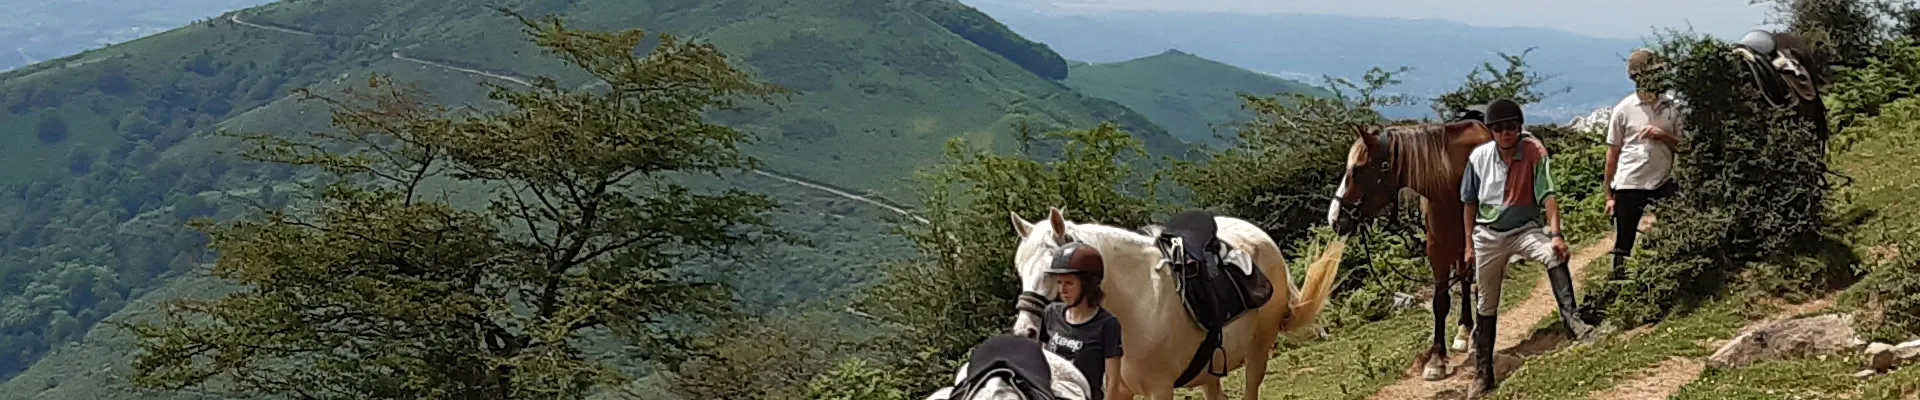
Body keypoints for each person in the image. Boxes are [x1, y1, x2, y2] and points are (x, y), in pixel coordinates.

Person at [1459, 98, 1591, 395]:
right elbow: (1468, 203)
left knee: (1553, 255)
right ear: (1491, 131)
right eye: (1500, 128)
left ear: (1519, 129)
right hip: (1488, 235)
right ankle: (1483, 371)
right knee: (1486, 302)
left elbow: (1549, 195)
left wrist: (1556, 234)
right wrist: (1468, 244)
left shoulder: (1533, 152)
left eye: (1512, 127)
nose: (1507, 133)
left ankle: (1574, 323)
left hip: (1524, 229)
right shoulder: (1479, 158)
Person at [1605, 49, 1685, 277]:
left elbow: (1684, 147)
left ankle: (1670, 273)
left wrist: (1663, 135)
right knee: (1624, 240)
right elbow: (1612, 154)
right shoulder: (1624, 110)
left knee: (1675, 227)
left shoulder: (1672, 108)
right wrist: (1609, 195)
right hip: (1630, 182)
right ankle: (1617, 285)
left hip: (1663, 181)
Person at [1038, 243, 1125, 400]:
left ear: (1088, 285)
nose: (1062, 290)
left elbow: (1113, 382)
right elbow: (1041, 360)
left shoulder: (1107, 324)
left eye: (1069, 283)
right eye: (1059, 282)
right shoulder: (1051, 312)